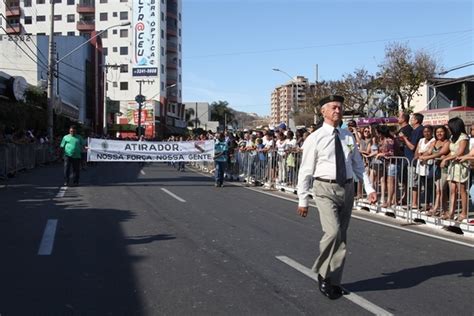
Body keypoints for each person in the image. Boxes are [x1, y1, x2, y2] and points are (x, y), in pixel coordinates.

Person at [296, 95, 377, 300]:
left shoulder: (347, 136)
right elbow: (305, 170)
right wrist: (303, 199)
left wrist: (369, 188)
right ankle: (323, 274)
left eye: (340, 107)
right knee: (332, 233)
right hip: (324, 187)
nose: (338, 111)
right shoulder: (315, 138)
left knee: (341, 237)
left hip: (347, 188)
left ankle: (334, 280)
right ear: (323, 111)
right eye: (333, 107)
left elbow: (358, 163)